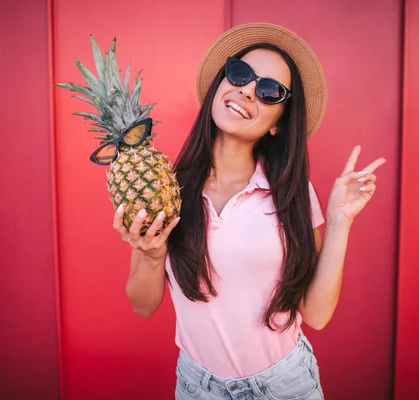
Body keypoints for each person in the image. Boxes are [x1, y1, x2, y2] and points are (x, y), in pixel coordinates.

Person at [113, 23, 386, 399]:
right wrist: (152, 252)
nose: (246, 90)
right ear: (220, 83)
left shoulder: (290, 194)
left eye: (269, 91)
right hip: (198, 388)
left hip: (286, 386)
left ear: (278, 124)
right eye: (240, 74)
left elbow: (317, 314)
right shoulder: (166, 188)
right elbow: (143, 306)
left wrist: (340, 218)